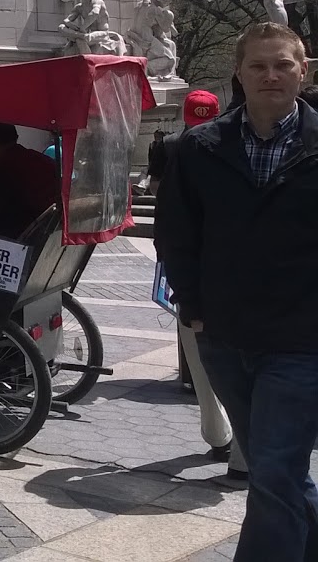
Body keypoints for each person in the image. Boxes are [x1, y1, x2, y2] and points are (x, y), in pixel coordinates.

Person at [156, 22, 318, 560]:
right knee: (280, 467)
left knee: (272, 470)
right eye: (258, 65)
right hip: (223, 337)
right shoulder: (197, 148)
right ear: (240, 74)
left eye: (283, 64)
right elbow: (176, 235)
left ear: (304, 70)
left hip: (301, 341)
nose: (271, 74)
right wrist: (194, 306)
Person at [155, 88, 246, 479]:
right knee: (245, 373)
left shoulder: (173, 144)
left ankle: (215, 432)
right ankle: (241, 454)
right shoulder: (232, 143)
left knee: (201, 354)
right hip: (236, 276)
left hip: (198, 272)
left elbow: (166, 214)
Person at [144, 130, 168, 194]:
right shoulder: (152, 144)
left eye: (158, 136)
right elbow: (150, 157)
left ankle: (143, 185)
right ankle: (142, 185)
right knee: (144, 171)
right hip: (153, 166)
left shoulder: (165, 144)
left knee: (150, 174)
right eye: (155, 136)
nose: (156, 138)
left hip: (161, 167)